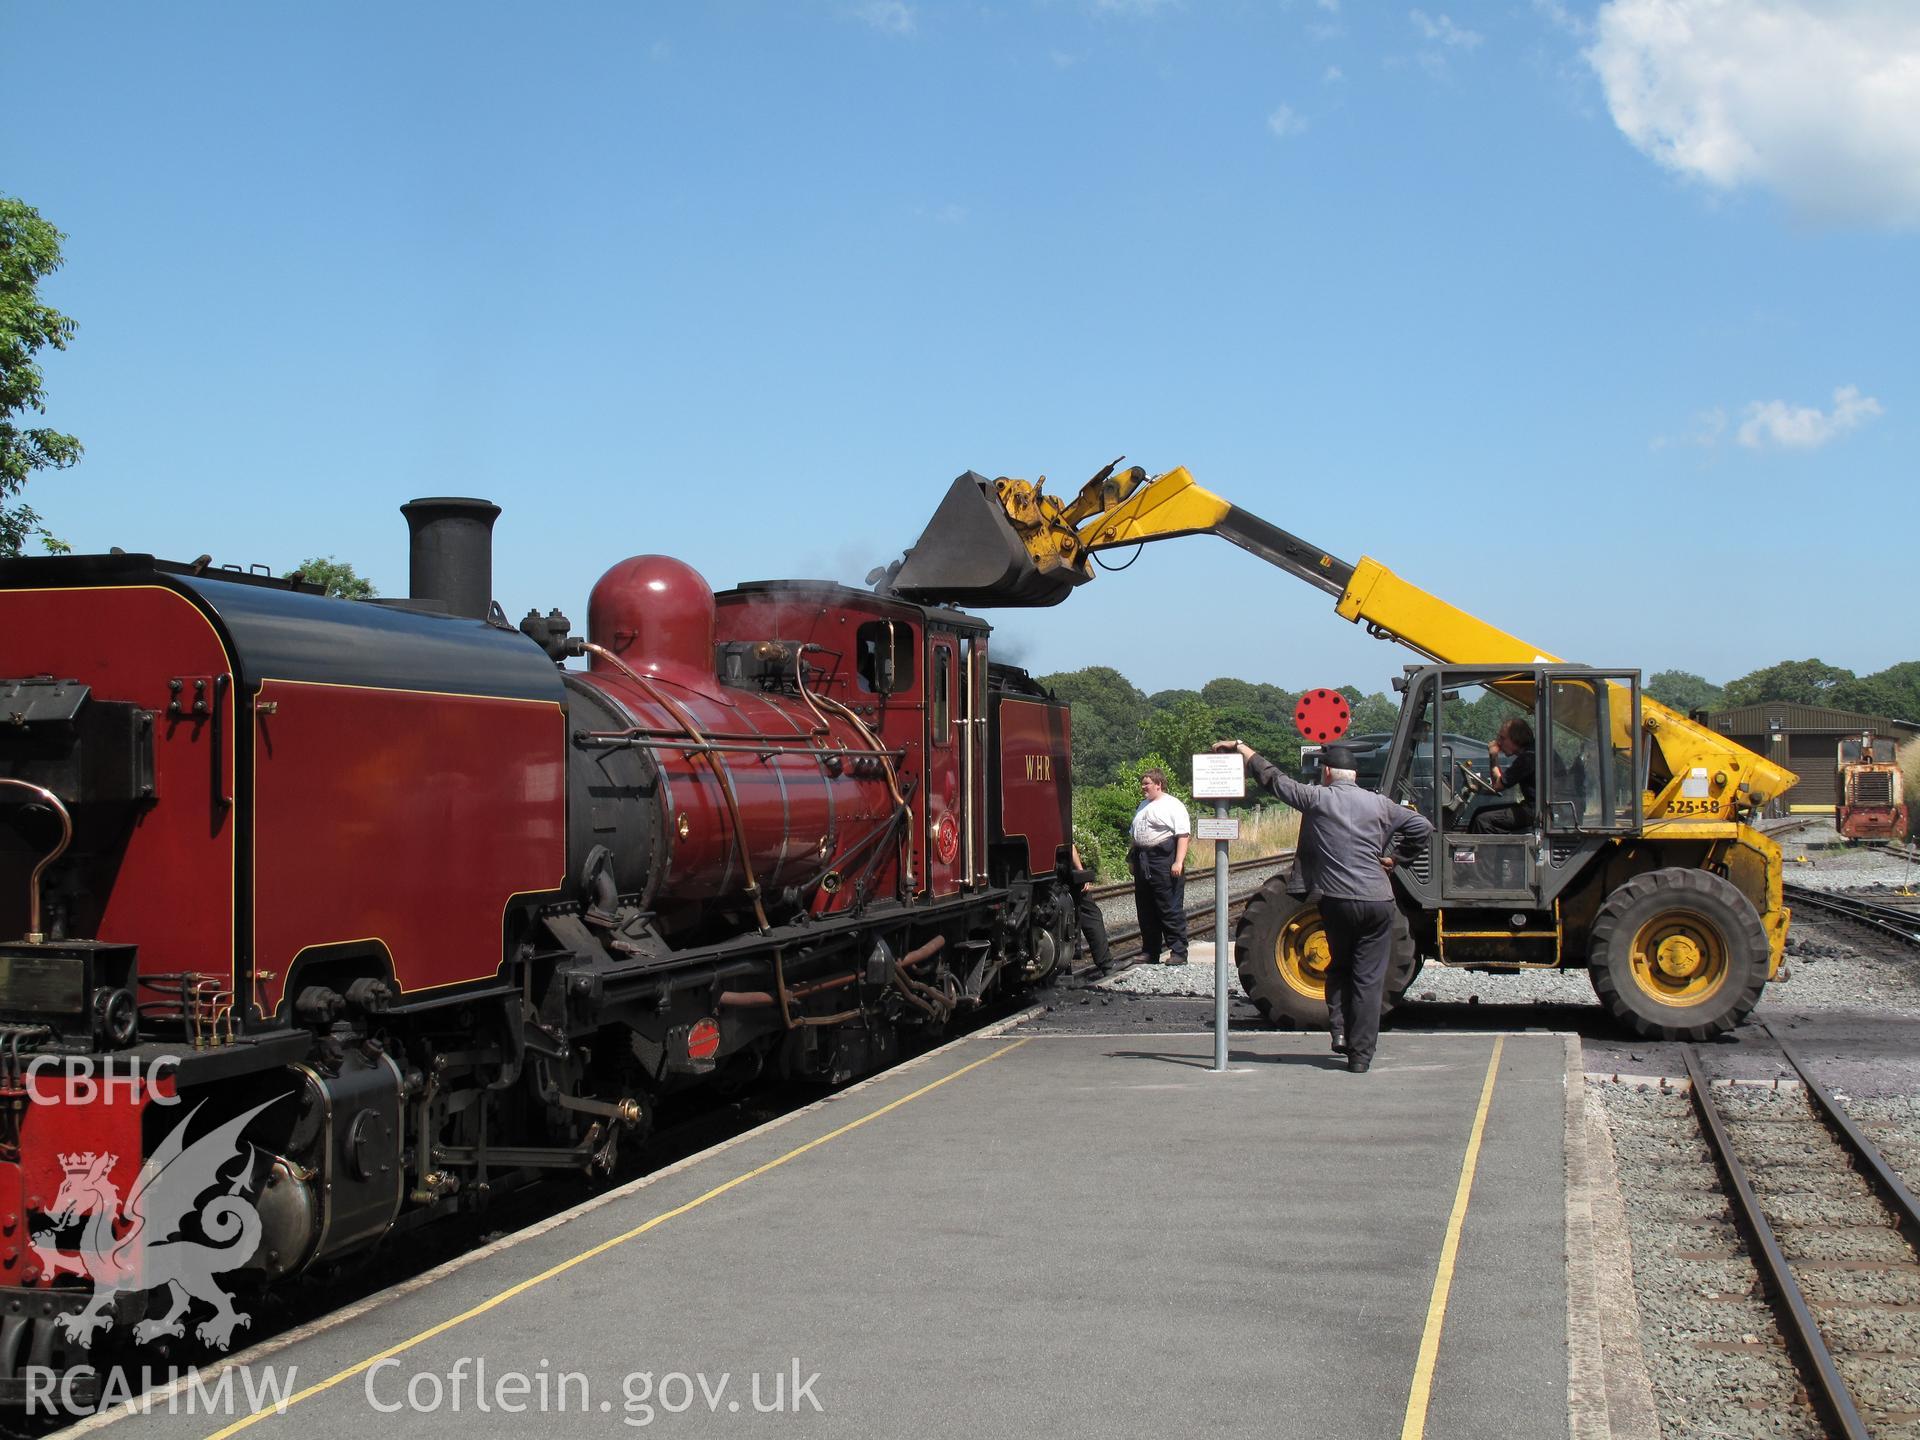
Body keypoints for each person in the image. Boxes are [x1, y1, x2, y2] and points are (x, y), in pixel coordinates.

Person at [1213, 737, 1432, 1073]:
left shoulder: (1317, 799)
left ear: (1328, 772)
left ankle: (1340, 1032)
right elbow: (1422, 827)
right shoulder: (1380, 805)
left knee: (1339, 966)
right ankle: (1360, 1056)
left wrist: (1244, 749)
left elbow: (1275, 780)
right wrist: (1395, 859)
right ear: (1354, 776)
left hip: (1338, 902)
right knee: (1369, 979)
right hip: (1377, 901)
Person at [1128, 769, 1191, 965]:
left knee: (1168, 906)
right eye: (1143, 783)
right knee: (1146, 908)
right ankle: (1150, 951)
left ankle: (1179, 952)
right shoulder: (1143, 806)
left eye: (1146, 783)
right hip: (1143, 859)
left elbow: (1183, 835)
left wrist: (1178, 861)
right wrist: (1132, 861)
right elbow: (1134, 836)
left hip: (1163, 859)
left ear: (1158, 784)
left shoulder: (1173, 805)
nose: (1143, 787)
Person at [1469, 717, 1537, 834]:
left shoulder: (1527, 758)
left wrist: (1493, 756)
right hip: (1537, 808)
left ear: (1516, 739)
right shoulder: (1534, 751)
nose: (1498, 742)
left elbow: (1497, 785)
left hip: (1536, 811)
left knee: (1483, 820)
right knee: (1479, 812)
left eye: (1502, 738)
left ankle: (1486, 852)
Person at [1058, 843, 1115, 977]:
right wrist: (1081, 871)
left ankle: (1063, 969)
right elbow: (1069, 845)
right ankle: (1106, 964)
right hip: (1063, 870)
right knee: (1090, 914)